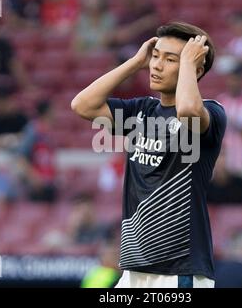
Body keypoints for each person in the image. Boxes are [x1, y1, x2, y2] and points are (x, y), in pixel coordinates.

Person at [72, 22, 227, 288]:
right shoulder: (141, 110)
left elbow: (189, 109)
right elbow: (82, 105)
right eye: (156, 56)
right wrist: (135, 62)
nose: (156, 65)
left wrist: (190, 64)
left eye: (170, 59)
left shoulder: (212, 113)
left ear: (196, 68)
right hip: (134, 269)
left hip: (179, 271)